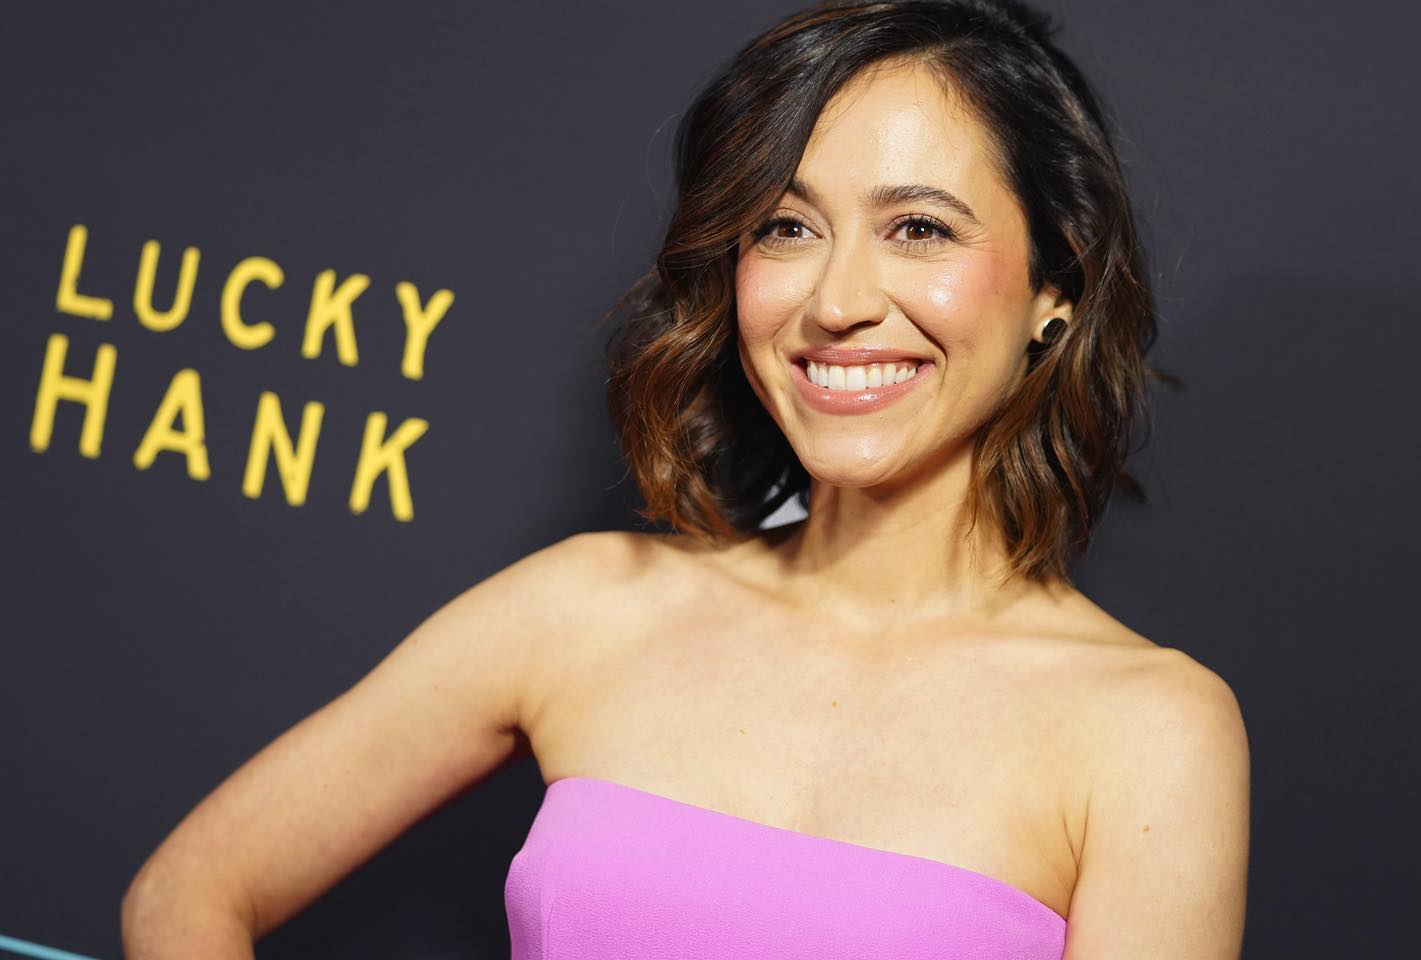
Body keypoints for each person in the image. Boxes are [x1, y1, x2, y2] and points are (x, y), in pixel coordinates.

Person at [120, 0, 1250, 957]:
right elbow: (188, 893)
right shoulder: (585, 607)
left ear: (1057, 285)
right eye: (786, 227)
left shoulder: (1149, 732)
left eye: (917, 228)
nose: (838, 300)